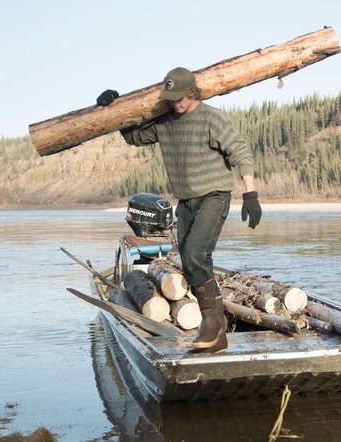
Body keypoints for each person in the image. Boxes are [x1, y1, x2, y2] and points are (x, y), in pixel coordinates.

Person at [97, 67, 262, 353]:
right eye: (172, 98)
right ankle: (217, 334)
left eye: (182, 97)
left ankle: (211, 322)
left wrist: (250, 194)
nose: (177, 103)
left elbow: (241, 152)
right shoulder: (165, 122)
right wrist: (114, 109)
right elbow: (133, 136)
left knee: (197, 254)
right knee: (189, 260)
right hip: (185, 201)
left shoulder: (211, 118)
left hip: (214, 195)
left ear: (193, 92)